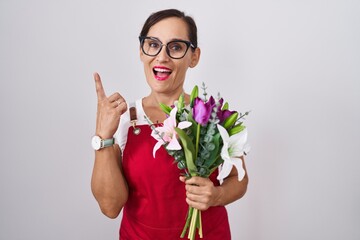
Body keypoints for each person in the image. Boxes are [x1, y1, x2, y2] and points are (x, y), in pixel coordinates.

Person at [91, 9, 249, 240]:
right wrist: (102, 136)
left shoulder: (214, 117)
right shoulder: (125, 120)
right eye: (153, 44)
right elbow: (110, 207)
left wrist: (216, 195)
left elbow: (240, 179)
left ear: (193, 57)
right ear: (142, 52)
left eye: (175, 47)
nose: (162, 57)